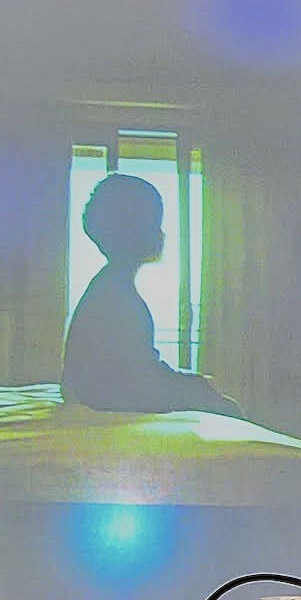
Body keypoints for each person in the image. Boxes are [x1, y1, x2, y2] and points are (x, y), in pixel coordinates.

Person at [62, 172, 242, 418]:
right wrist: (199, 389)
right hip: (109, 400)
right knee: (228, 408)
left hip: (107, 396)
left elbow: (137, 371)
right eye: (155, 225)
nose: (162, 234)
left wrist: (193, 384)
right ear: (134, 231)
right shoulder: (117, 298)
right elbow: (139, 384)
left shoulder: (110, 287)